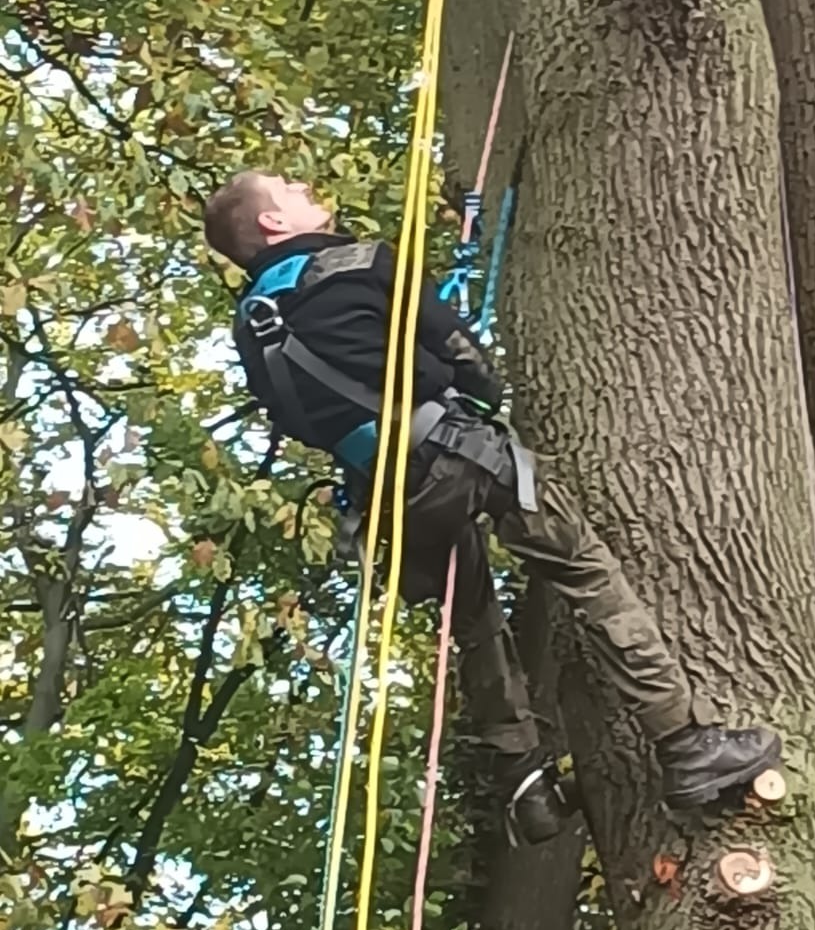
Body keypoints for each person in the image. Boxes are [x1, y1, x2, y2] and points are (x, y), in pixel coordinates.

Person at [202, 171, 781, 843]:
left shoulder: (254, 327)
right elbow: (461, 352)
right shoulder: (359, 263)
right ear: (275, 223)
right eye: (287, 187)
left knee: (473, 620)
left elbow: (302, 418)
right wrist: (475, 394)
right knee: (583, 569)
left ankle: (526, 785)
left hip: (390, 493)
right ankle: (685, 745)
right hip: (460, 458)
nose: (304, 185)